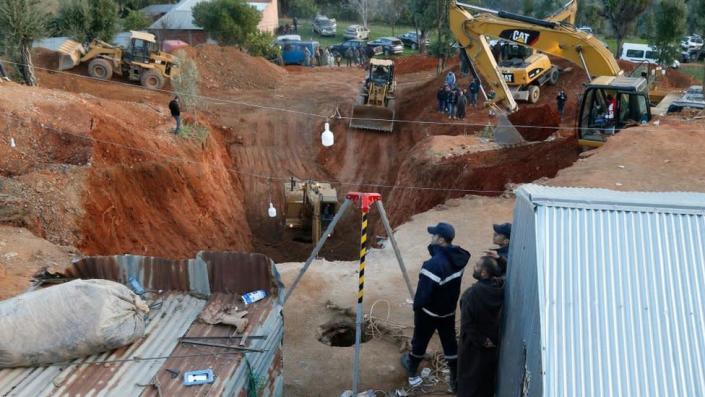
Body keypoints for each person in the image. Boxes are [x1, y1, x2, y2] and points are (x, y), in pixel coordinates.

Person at [400, 222, 470, 392]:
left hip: (429, 313)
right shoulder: (459, 258)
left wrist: (417, 308)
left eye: (433, 235)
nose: (431, 237)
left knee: (420, 341)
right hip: (448, 311)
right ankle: (454, 380)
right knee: (450, 343)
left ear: (440, 239)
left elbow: (423, 295)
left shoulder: (432, 265)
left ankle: (412, 370)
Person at [457, 256, 505, 397]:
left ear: (484, 273)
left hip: (473, 345)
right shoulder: (500, 289)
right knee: (485, 380)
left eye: (477, 266)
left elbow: (467, 324)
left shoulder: (471, 295)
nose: (474, 267)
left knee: (468, 381)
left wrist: (482, 340)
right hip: (492, 342)